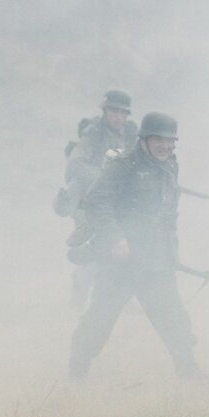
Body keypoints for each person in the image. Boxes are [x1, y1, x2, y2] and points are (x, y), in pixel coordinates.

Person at [68, 112, 199, 380]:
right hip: (120, 265)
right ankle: (76, 373)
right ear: (145, 139)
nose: (166, 146)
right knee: (99, 320)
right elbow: (96, 202)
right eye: (159, 140)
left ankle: (189, 372)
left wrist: (171, 253)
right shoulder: (123, 165)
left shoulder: (171, 165)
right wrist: (116, 237)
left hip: (156, 260)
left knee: (173, 317)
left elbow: (168, 214)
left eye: (171, 141)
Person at [54, 90, 138, 308]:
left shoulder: (130, 133)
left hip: (116, 202)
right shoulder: (93, 133)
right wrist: (106, 176)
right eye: (113, 111)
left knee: (125, 245)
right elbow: (75, 166)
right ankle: (80, 293)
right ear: (105, 111)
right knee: (96, 248)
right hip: (89, 201)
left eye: (122, 112)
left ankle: (121, 296)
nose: (118, 116)